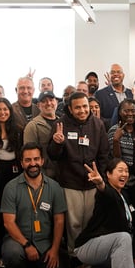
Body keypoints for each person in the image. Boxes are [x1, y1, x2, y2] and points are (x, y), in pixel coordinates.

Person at [74, 159, 135, 268]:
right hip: (87, 246)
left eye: (126, 171)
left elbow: (129, 227)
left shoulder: (124, 195)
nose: (124, 174)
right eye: (120, 170)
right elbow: (107, 193)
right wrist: (100, 183)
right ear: (108, 174)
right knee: (123, 238)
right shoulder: (105, 194)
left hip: (110, 247)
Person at [47, 92, 109, 252]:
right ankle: (74, 254)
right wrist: (57, 143)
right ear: (70, 109)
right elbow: (53, 155)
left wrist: (100, 178)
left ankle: (89, 255)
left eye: (85, 106)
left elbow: (103, 154)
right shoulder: (60, 124)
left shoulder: (98, 124)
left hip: (92, 183)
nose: (82, 110)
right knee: (73, 224)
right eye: (78, 107)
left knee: (90, 222)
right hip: (70, 183)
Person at [1, 143, 67, 268]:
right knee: (12, 253)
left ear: (42, 161)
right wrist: (26, 245)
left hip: (45, 243)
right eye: (28, 160)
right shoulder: (11, 187)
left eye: (36, 159)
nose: (32, 164)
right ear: (22, 163)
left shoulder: (55, 187)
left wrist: (54, 249)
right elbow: (8, 223)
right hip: (18, 242)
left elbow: (59, 221)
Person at [23, 91, 60, 178]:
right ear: (38, 105)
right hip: (46, 175)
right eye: (44, 101)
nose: (48, 103)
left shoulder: (63, 122)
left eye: (51, 100)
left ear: (57, 102)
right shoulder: (32, 126)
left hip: (64, 175)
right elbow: (29, 154)